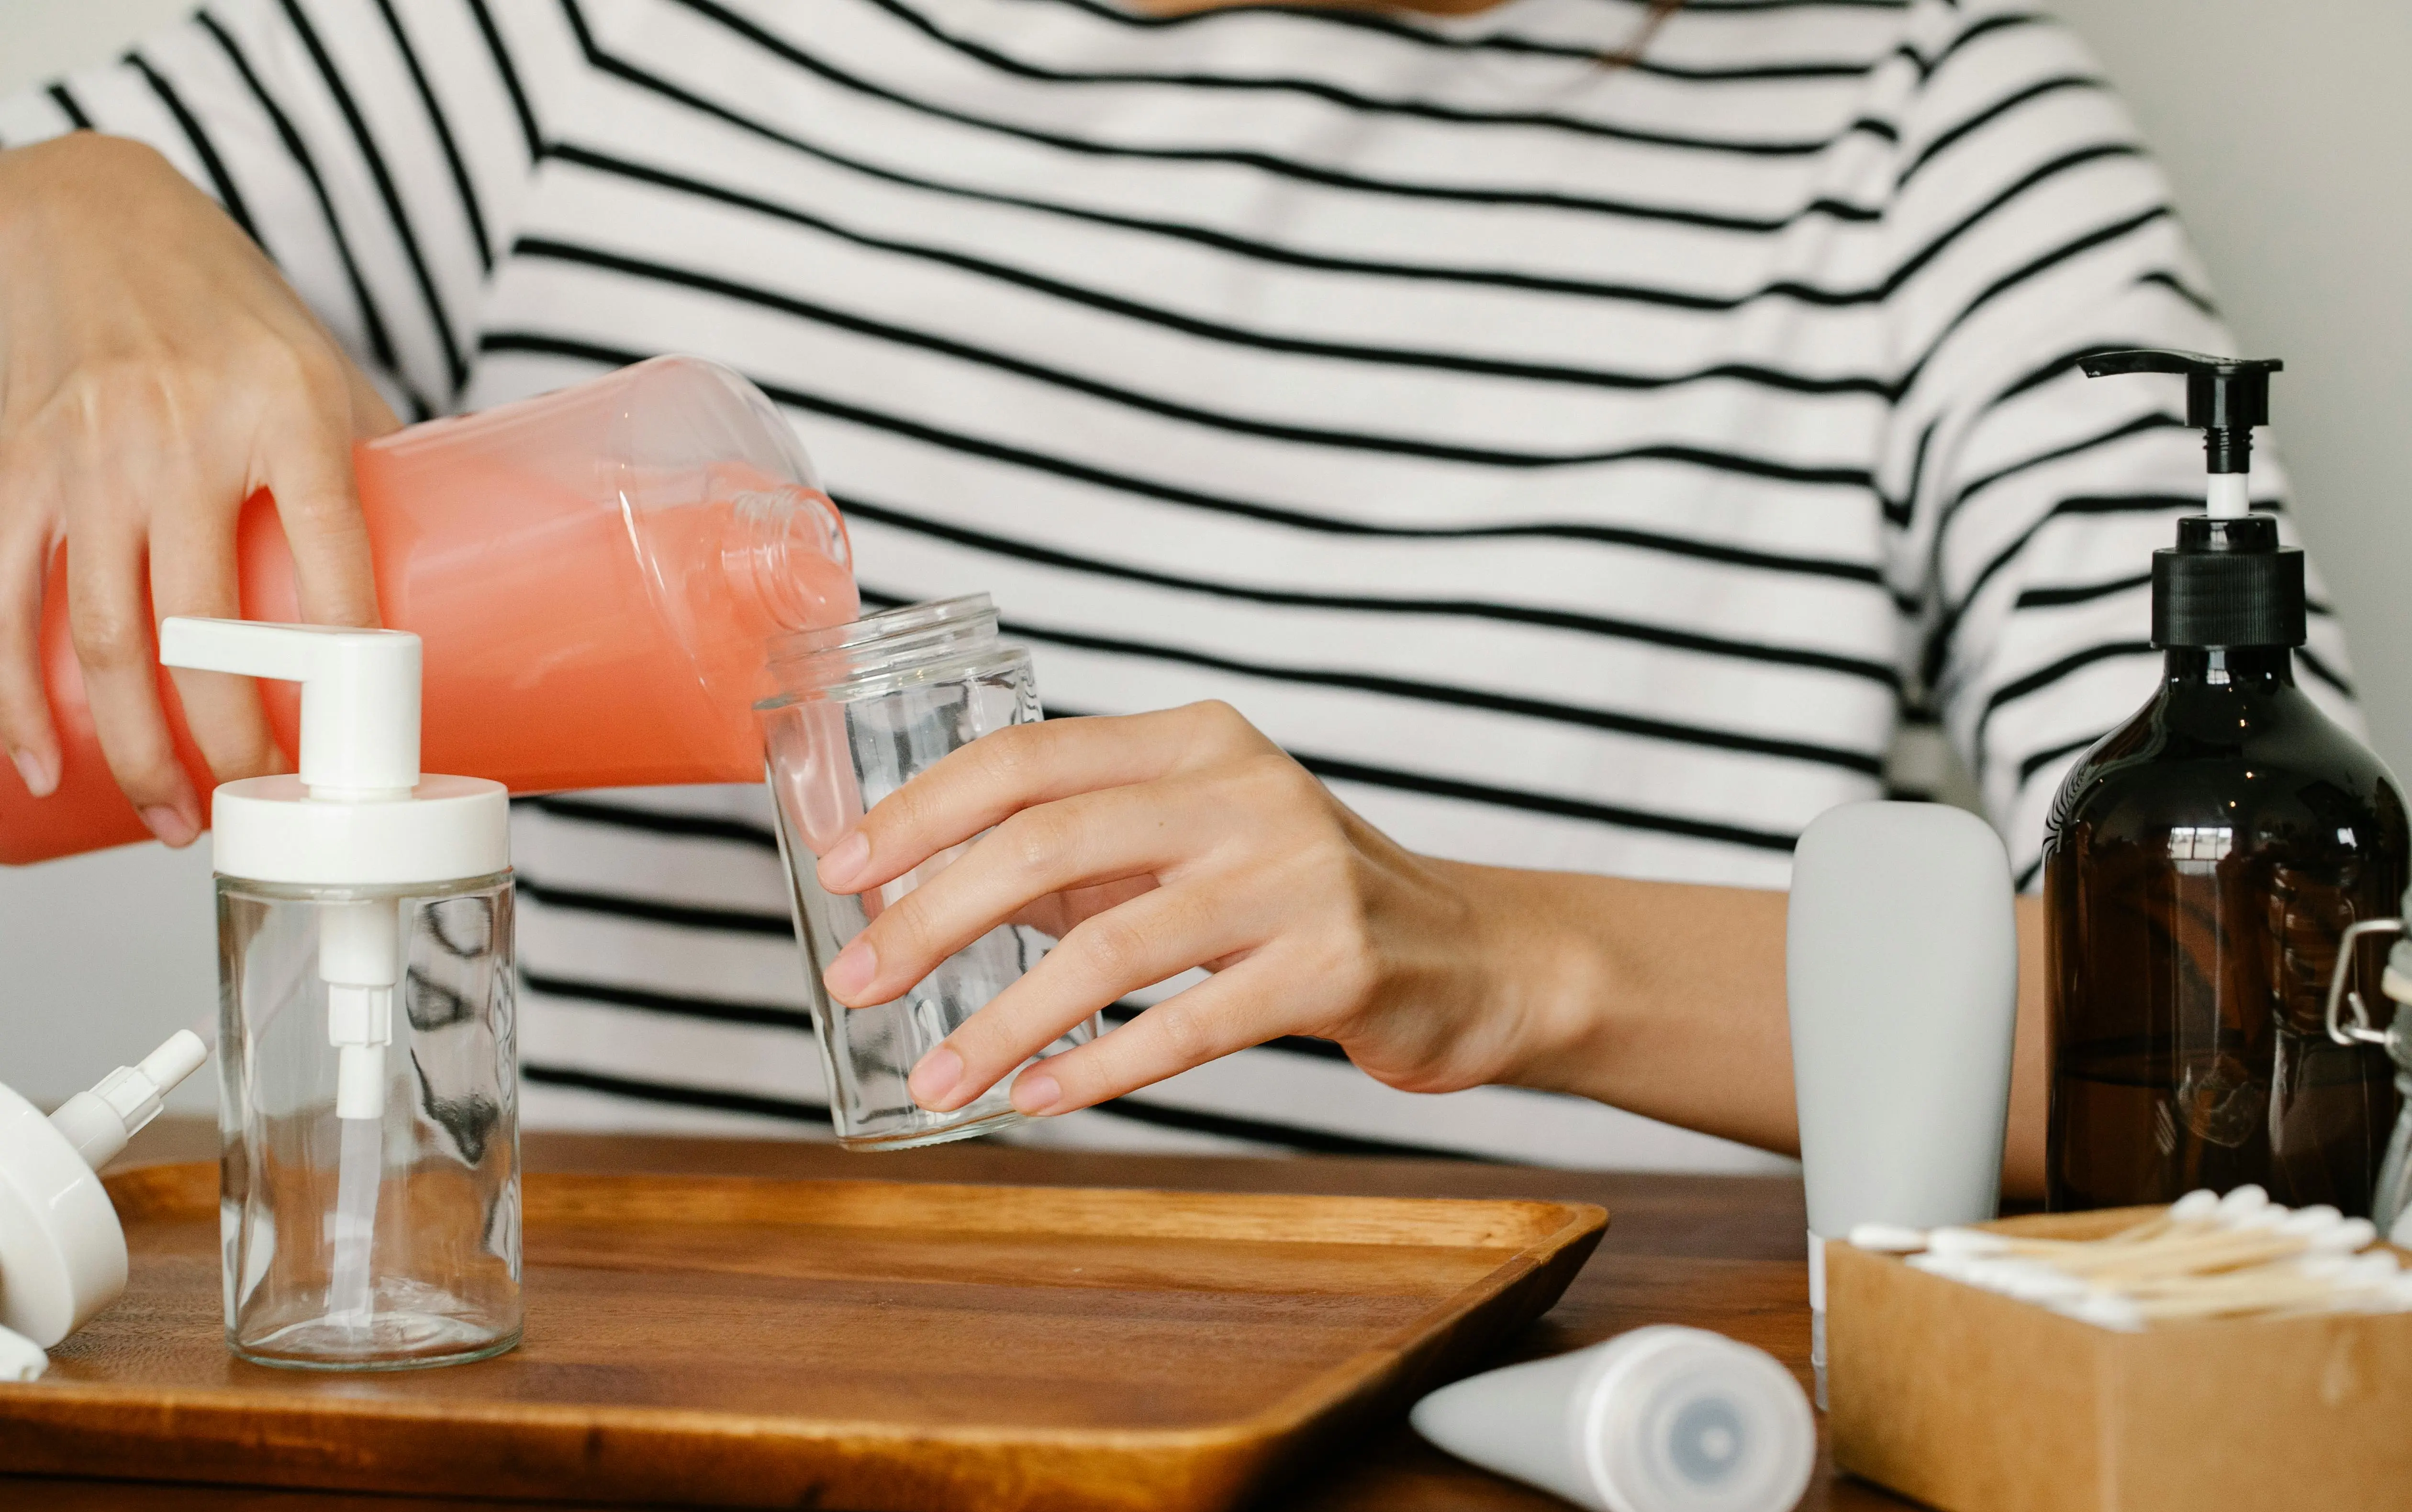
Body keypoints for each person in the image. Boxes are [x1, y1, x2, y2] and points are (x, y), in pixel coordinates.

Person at [0, 0, 2361, 1193]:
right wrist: (82, 207)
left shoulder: (1919, 135)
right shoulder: (603, 41)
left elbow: (2290, 1043)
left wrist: (1489, 954)